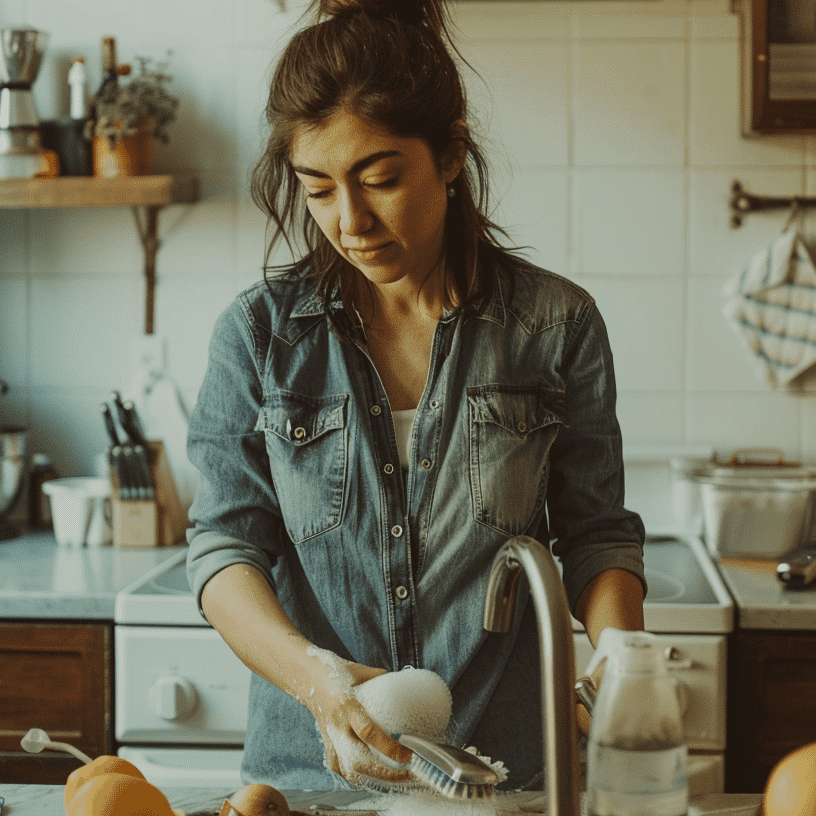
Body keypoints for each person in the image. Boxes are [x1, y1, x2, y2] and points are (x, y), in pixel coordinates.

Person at [185, 0, 646, 793]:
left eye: (380, 179)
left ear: (452, 154)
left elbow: (598, 535)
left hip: (506, 774)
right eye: (318, 188)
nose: (349, 221)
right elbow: (224, 550)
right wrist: (318, 681)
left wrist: (617, 658)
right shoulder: (258, 337)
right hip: (310, 777)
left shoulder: (555, 325)